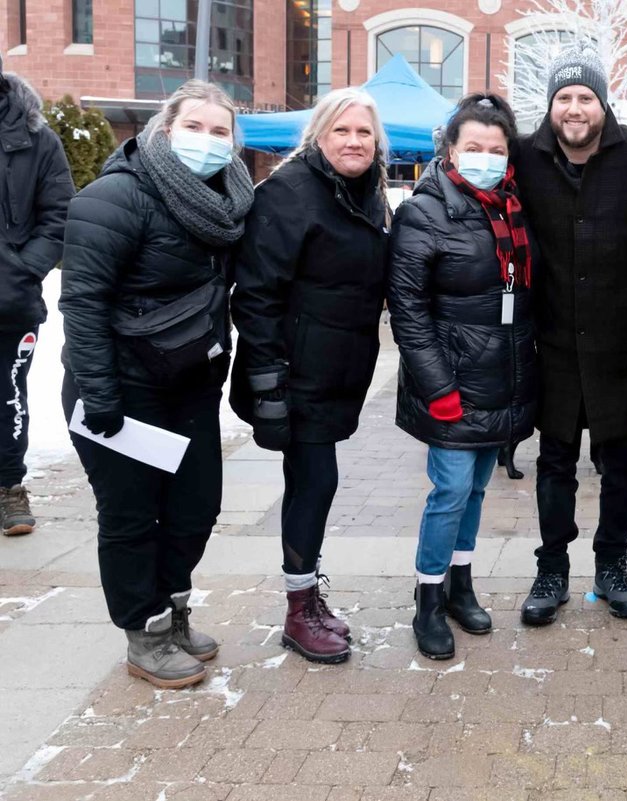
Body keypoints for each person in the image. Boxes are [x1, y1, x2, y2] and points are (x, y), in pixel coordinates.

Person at [60, 80, 254, 688]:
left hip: (188, 385)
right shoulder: (115, 197)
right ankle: (143, 633)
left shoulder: (229, 204)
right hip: (121, 387)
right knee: (130, 517)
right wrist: (101, 396)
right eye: (193, 127)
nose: (206, 141)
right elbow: (83, 303)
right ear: (164, 131)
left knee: (195, 508)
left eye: (219, 131)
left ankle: (173, 611)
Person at [231, 88, 391, 664]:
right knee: (315, 483)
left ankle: (306, 597)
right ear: (318, 136)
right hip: (294, 376)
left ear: (377, 143)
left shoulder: (365, 195)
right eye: (341, 131)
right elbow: (255, 297)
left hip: (336, 373)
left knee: (311, 483)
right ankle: (299, 612)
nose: (354, 141)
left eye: (364, 133)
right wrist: (269, 388)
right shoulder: (289, 193)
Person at [510, 46, 627, 625]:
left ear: (604, 104)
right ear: (551, 107)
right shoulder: (525, 156)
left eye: (585, 98)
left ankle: (612, 564)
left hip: (624, 346)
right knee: (555, 462)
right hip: (555, 346)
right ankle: (551, 569)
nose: (574, 109)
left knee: (622, 465)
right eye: (563, 98)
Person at [388, 94, 537, 660]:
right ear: (451, 149)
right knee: (449, 490)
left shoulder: (511, 206)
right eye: (473, 147)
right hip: (450, 379)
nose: (485, 157)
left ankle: (461, 583)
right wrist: (437, 387)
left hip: (501, 374)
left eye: (495, 149)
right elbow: (407, 309)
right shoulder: (423, 211)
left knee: (475, 490)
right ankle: (428, 597)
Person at [0, 57, 74, 537]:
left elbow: (62, 213)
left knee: (6, 396)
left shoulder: (36, 139)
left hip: (10, 302)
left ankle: (9, 488)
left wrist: (20, 271)